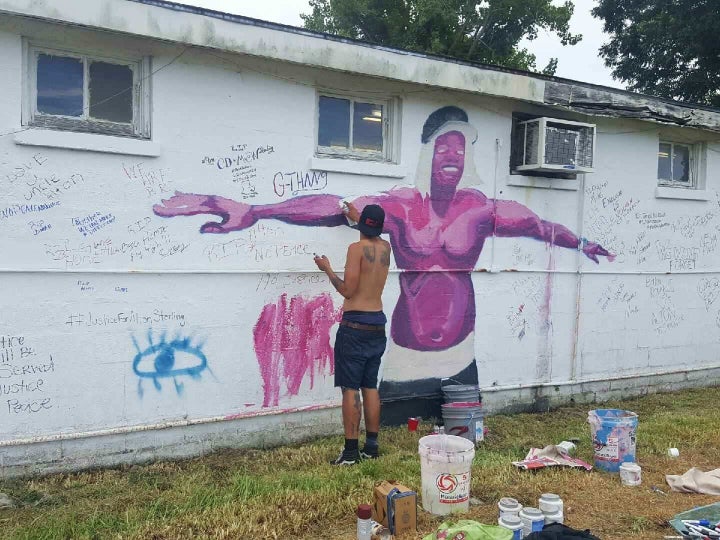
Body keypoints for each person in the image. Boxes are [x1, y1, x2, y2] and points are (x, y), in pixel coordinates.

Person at [153, 106, 613, 419]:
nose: (452, 152)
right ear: (426, 152)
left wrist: (581, 241)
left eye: (461, 146)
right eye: (442, 144)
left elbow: (536, 225)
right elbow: (333, 206)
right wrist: (256, 211)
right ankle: (365, 446)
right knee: (390, 419)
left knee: (461, 432)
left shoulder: (480, 209)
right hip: (404, 355)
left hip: (462, 355)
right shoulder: (397, 206)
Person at [313, 204, 391, 465]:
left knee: (349, 388)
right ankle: (371, 446)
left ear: (363, 226)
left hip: (355, 326)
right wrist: (358, 218)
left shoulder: (355, 249)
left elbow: (347, 290)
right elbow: (373, 235)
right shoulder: (385, 248)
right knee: (370, 386)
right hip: (377, 325)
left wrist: (327, 269)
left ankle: (349, 453)